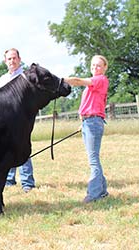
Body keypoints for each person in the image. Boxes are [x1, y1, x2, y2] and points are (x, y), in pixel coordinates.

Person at [64, 55, 109, 203]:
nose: (95, 68)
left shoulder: (100, 80)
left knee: (93, 159)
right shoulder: (94, 83)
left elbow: (78, 81)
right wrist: (83, 123)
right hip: (88, 122)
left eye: (98, 66)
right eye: (93, 65)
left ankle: (94, 194)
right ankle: (102, 190)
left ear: (104, 68)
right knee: (94, 158)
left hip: (93, 122)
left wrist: (62, 81)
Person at [0, 48, 35, 193]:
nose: (12, 61)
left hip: (21, 120)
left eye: (14, 58)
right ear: (5, 61)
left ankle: (27, 183)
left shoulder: (26, 77)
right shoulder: (2, 80)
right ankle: (9, 179)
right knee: (7, 150)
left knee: (21, 148)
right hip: (5, 121)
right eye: (9, 59)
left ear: (19, 59)